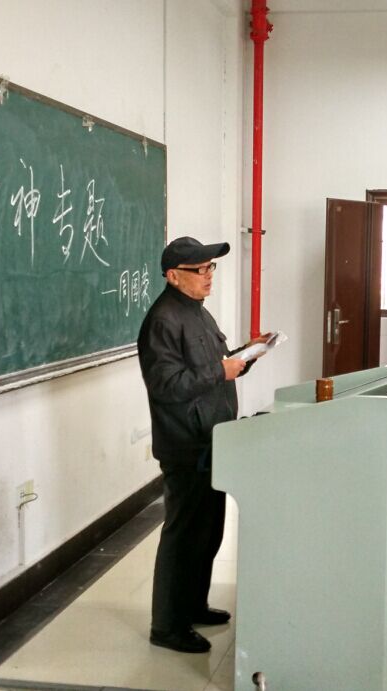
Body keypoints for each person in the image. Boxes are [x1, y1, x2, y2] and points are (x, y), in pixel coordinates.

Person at [138, 236, 271, 654]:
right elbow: (167, 385)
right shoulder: (163, 320)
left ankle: (193, 606)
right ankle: (167, 626)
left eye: (211, 267)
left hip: (213, 438)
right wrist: (220, 371)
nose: (208, 276)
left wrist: (245, 357)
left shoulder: (197, 311)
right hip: (185, 444)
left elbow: (213, 367)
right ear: (173, 276)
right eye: (200, 270)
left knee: (208, 533)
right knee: (183, 536)